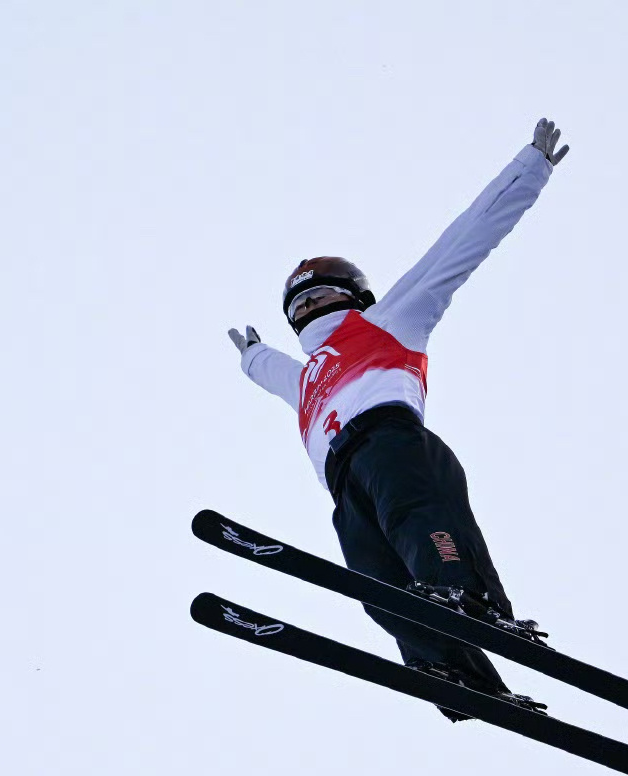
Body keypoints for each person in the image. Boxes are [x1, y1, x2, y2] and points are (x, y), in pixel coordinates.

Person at [226, 118, 570, 719]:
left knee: (421, 524)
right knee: (377, 581)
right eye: (298, 304)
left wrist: (530, 169)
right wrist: (253, 356)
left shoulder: (388, 322)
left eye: (319, 294)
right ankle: (450, 670)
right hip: (343, 481)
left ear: (354, 295)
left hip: (393, 443)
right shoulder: (306, 379)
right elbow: (270, 372)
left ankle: (470, 599)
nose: (309, 307)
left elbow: (462, 245)